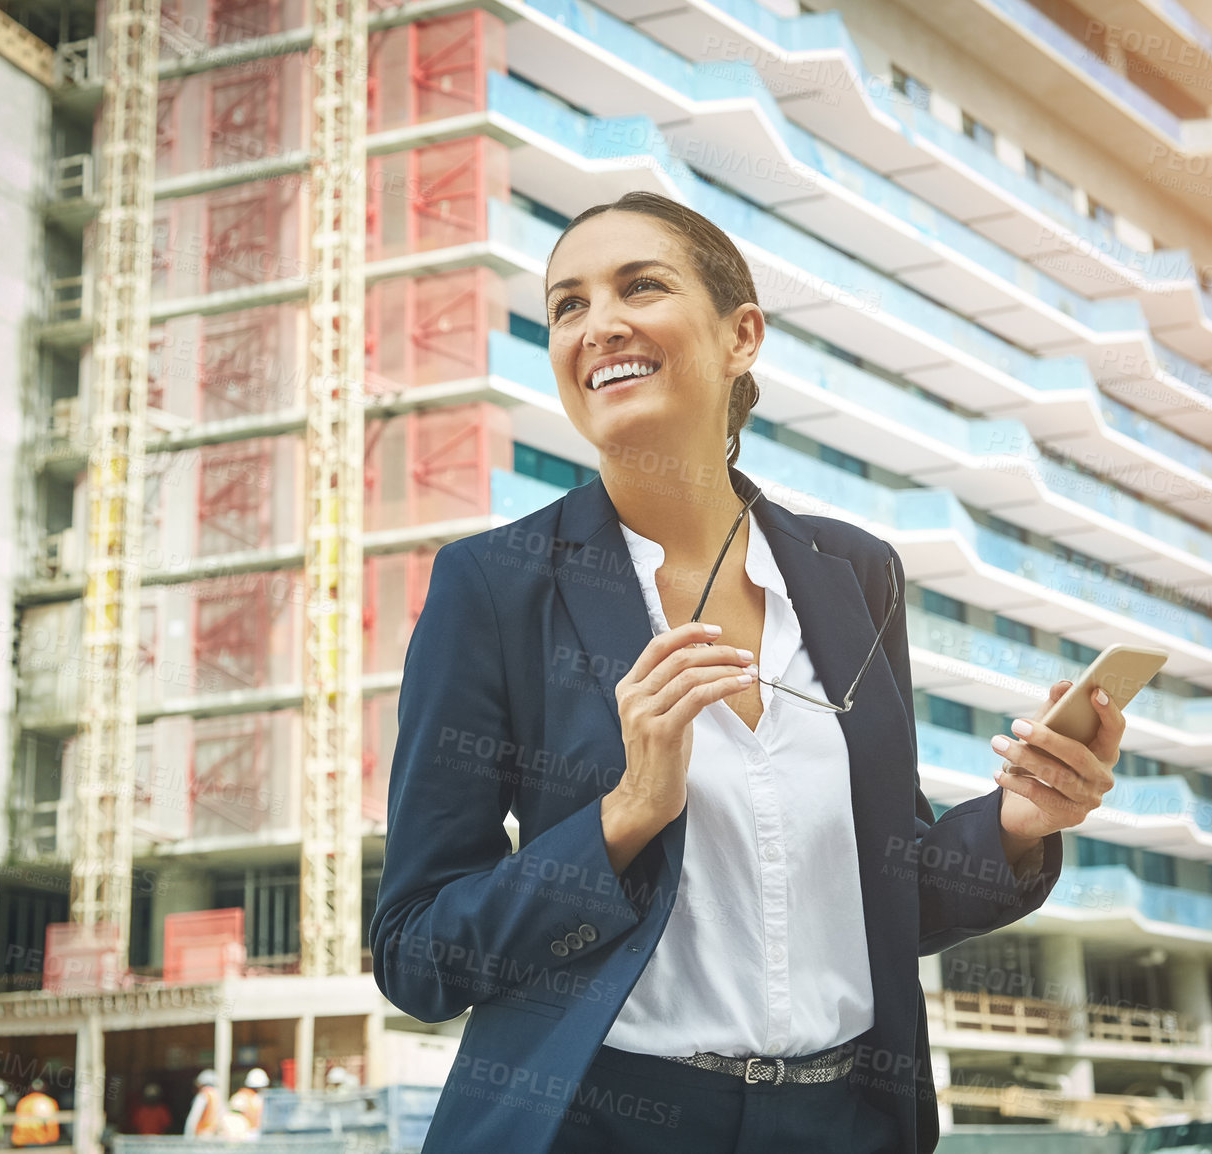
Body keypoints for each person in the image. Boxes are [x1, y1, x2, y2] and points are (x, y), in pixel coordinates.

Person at [368, 190, 1125, 1154]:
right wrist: (627, 811)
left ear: (742, 335)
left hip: (841, 1119)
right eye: (567, 305)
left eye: (639, 285)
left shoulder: (856, 576)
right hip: (607, 1122)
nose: (598, 324)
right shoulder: (493, 588)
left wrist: (1022, 819)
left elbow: (887, 886)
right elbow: (417, 953)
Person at [9, 1080, 58, 1147]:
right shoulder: (48, 1102)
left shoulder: (23, 1102)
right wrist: (52, 1140)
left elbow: (17, 1125)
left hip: (23, 1141)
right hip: (40, 1141)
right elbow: (52, 1125)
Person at [183, 1070, 225, 1138]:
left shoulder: (203, 1095)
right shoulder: (218, 1096)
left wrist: (188, 1136)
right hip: (214, 1136)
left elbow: (193, 1118)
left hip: (202, 1136)